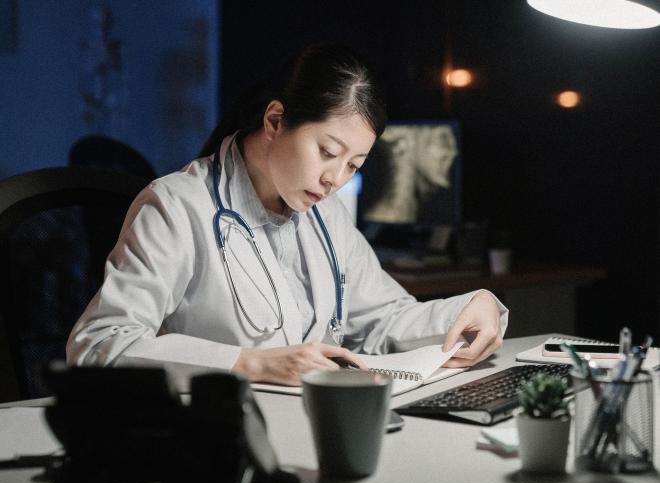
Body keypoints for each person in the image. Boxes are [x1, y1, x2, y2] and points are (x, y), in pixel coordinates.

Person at [67, 44, 508, 387]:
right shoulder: (178, 206)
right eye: (327, 152)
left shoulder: (325, 216)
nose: (336, 178)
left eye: (354, 165)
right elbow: (99, 345)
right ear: (276, 120)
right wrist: (249, 362)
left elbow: (382, 318)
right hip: (213, 437)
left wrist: (471, 307)